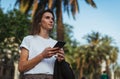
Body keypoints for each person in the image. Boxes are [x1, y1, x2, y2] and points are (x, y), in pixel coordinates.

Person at [18, 9, 65, 79]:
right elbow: (21, 67)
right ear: (39, 21)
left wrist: (61, 61)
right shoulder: (28, 39)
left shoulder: (55, 43)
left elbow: (61, 70)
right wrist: (42, 55)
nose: (51, 21)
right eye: (47, 18)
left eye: (52, 19)